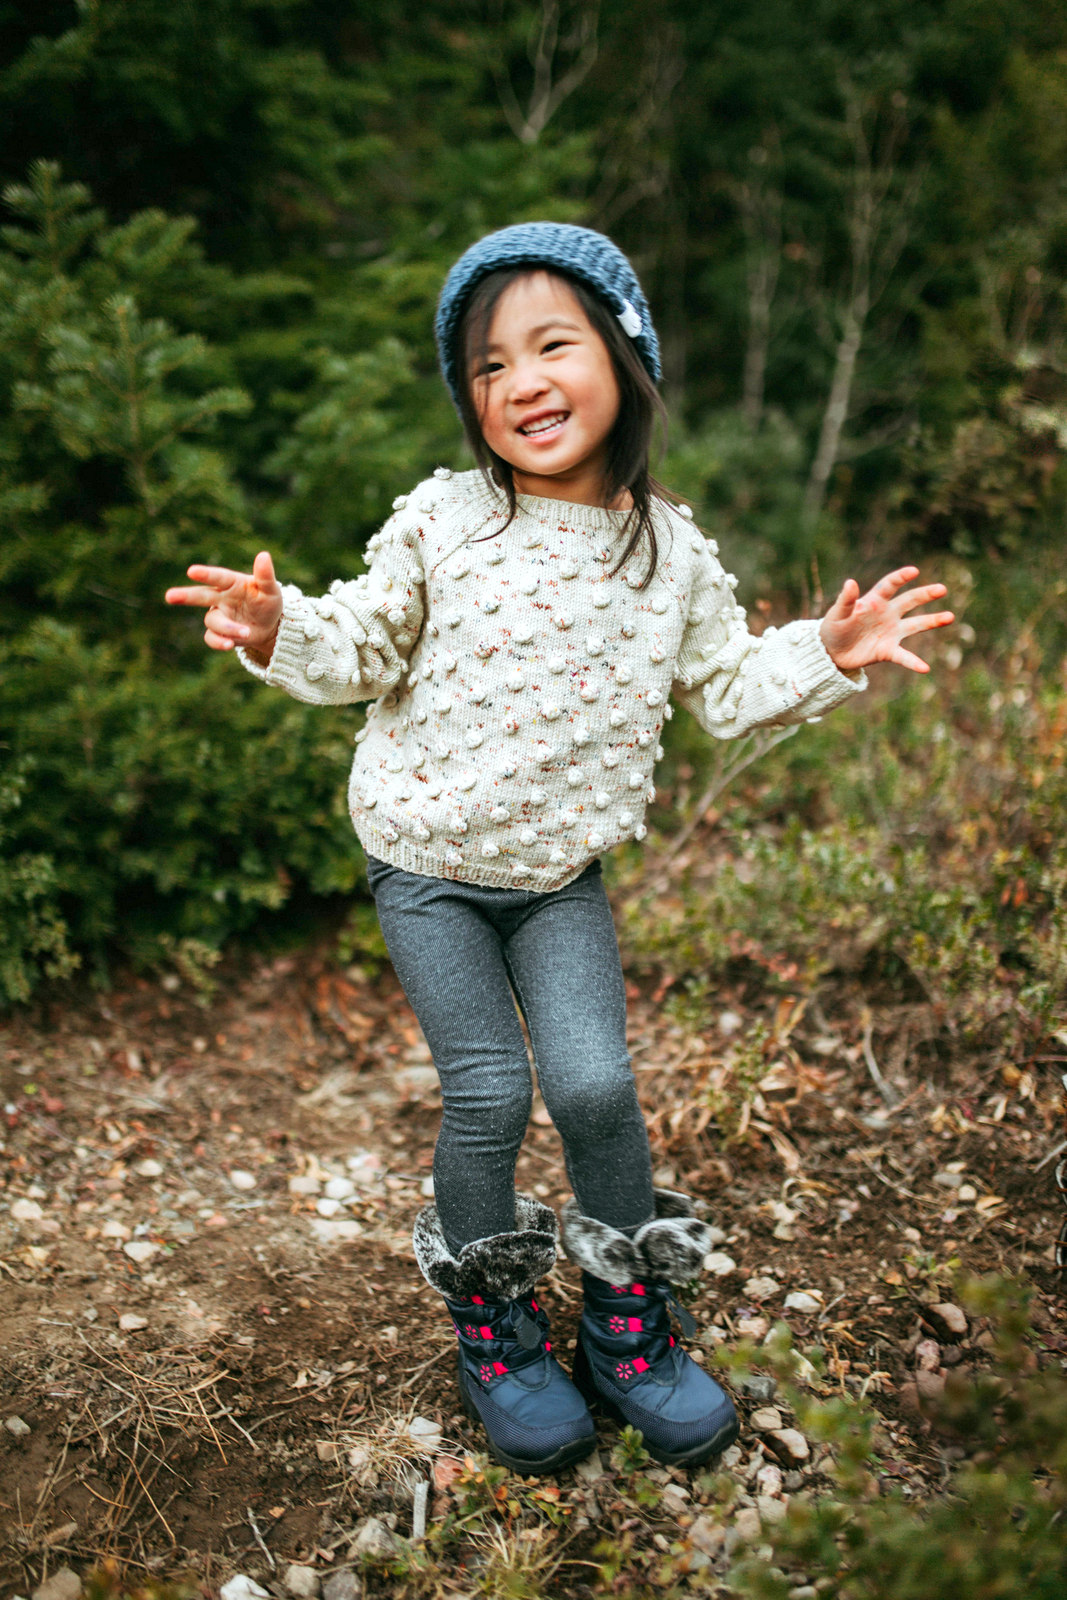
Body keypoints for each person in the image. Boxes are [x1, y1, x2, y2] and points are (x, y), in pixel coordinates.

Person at [165, 223, 953, 1476]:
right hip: (426, 866)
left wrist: (824, 652)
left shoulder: (667, 549)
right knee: (488, 1094)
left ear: (623, 356)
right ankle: (497, 1328)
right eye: (486, 366)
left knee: (592, 1089)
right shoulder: (444, 521)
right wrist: (278, 627)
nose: (519, 382)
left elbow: (725, 684)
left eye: (550, 346)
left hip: (556, 879)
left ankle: (628, 1330)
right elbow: (361, 647)